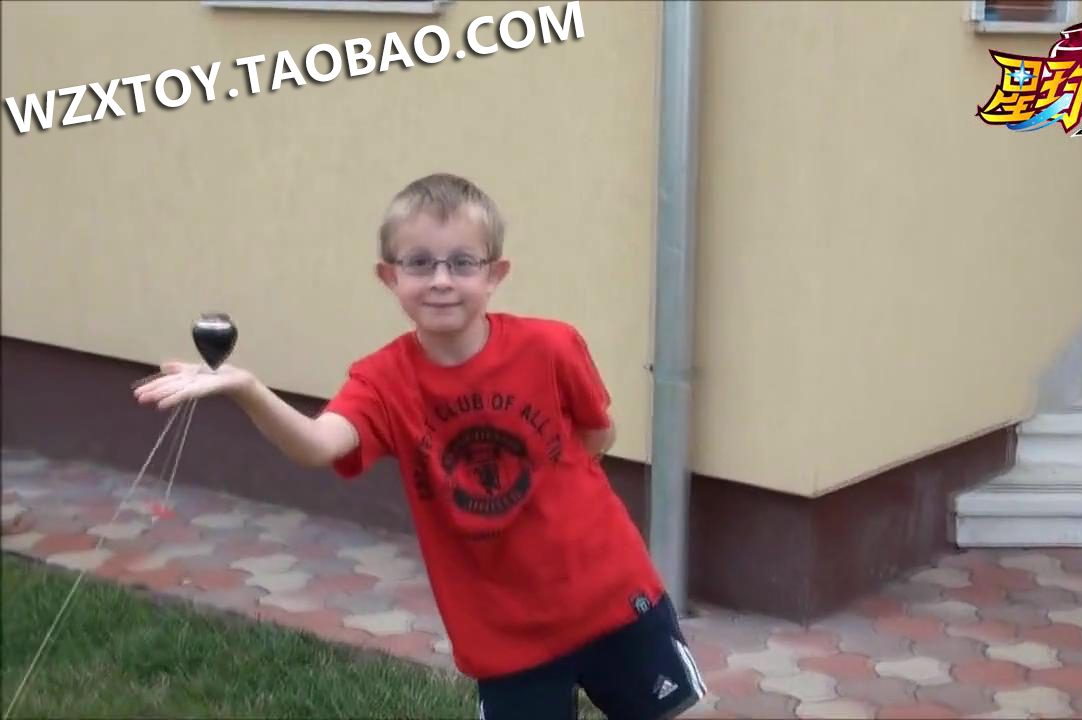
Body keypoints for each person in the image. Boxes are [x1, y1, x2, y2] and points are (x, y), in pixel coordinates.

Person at [133, 173, 706, 720]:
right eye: (419, 262)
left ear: (495, 274)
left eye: (463, 262)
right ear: (389, 277)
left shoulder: (552, 347)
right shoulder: (383, 381)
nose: (441, 279)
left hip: (610, 597)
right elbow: (317, 445)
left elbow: (598, 433)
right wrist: (247, 389)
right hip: (505, 634)